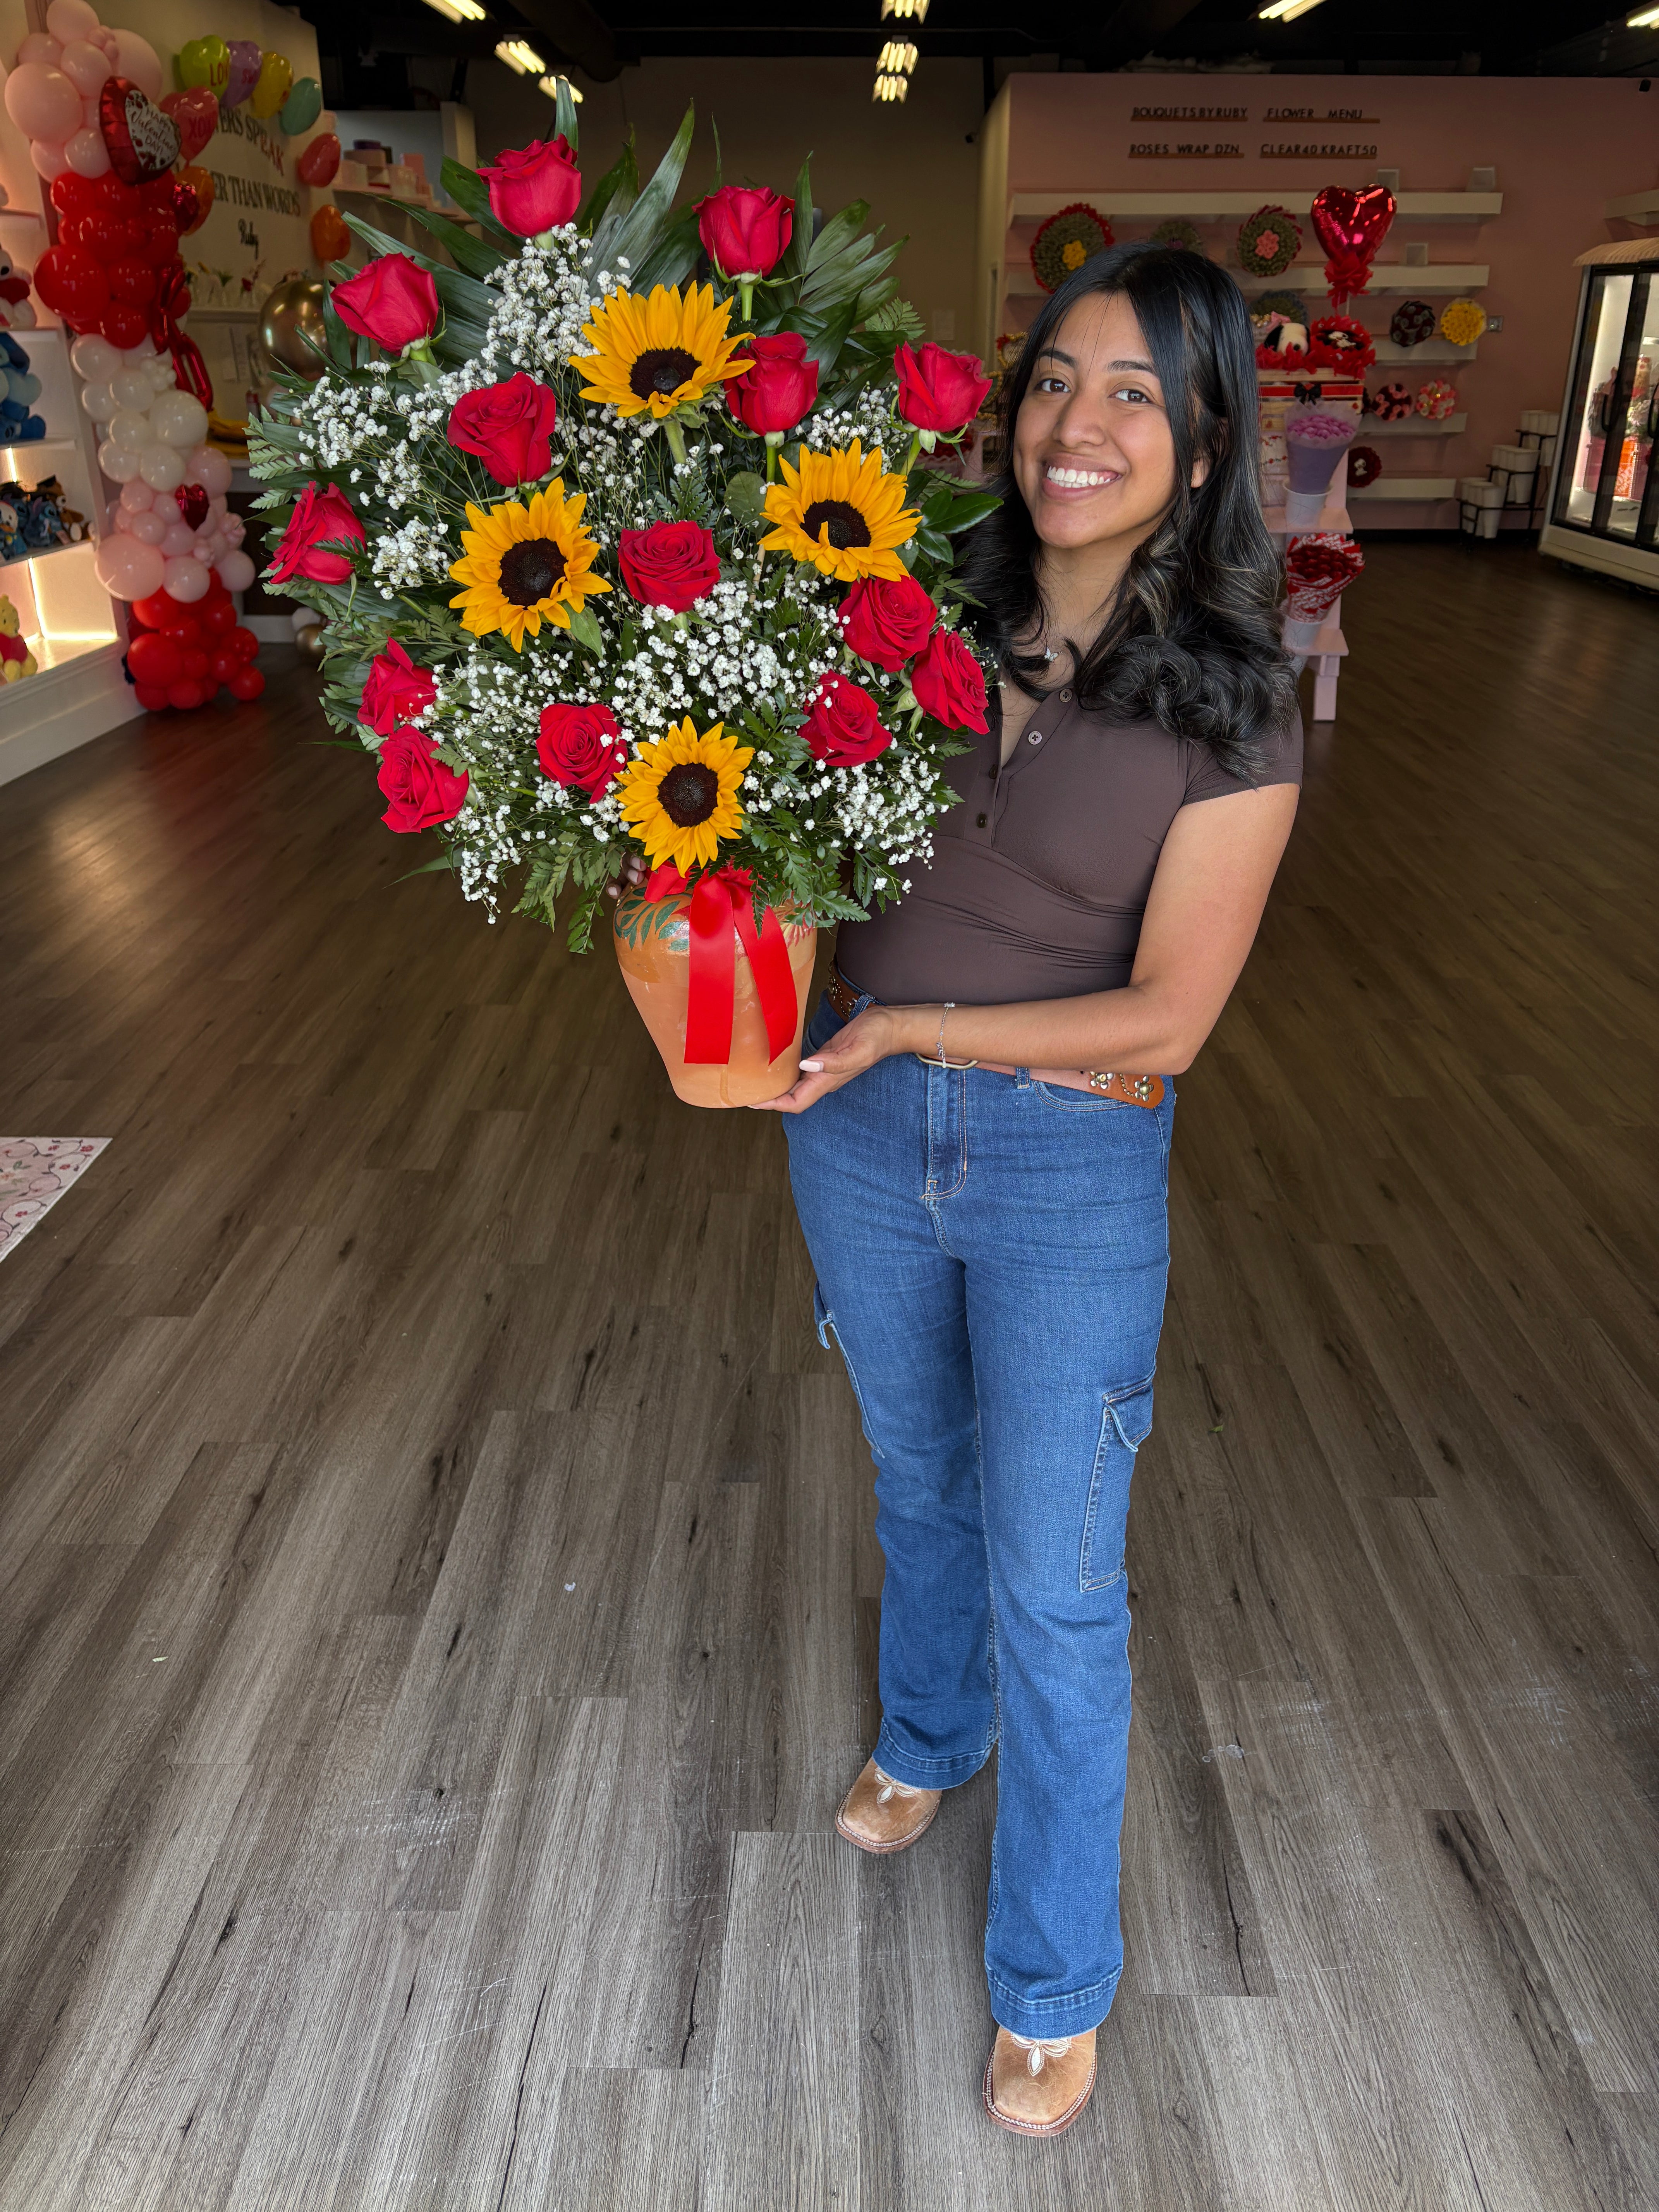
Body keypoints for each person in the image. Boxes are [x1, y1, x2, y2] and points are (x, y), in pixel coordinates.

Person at [753, 243, 1303, 2136]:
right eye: (1059, 378)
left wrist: (913, 1027)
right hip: (854, 1129)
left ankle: (1057, 1978)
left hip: (1072, 1160)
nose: (1082, 425)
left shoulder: (1237, 698)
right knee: (918, 1474)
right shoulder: (895, 595)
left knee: (1061, 1578)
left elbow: (1172, 1019)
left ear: (1209, 431)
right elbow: (782, 832)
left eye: (1138, 392)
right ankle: (929, 1731)